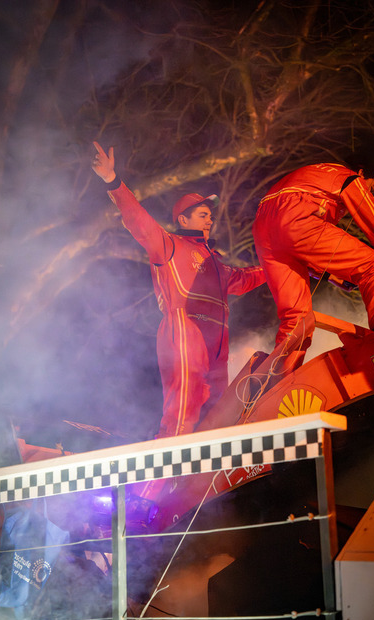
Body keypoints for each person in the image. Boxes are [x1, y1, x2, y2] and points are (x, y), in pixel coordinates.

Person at [92, 142, 266, 438]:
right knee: (185, 406)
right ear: (183, 219)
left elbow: (246, 278)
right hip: (184, 330)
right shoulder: (170, 245)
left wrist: (280, 264)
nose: (210, 219)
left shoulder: (217, 263)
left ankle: (208, 464)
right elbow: (138, 220)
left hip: (218, 341)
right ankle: (170, 459)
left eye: (210, 215)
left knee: (216, 414)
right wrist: (112, 180)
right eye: (202, 214)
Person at [252, 162, 374, 373]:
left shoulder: (315, 176)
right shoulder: (349, 178)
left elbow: (293, 241)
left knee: (296, 317)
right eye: (372, 185)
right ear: (361, 173)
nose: (370, 191)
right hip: (296, 219)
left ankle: (276, 378)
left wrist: (330, 276)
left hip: (262, 229)